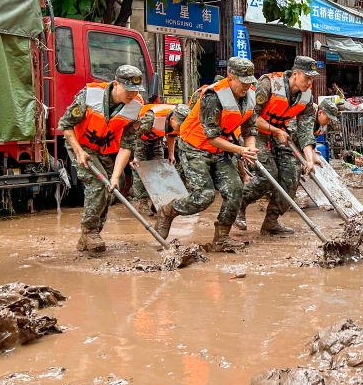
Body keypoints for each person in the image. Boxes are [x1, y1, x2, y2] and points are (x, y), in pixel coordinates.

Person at [157, 58, 259, 251]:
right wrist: (240, 150)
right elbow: (211, 138)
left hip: (222, 149)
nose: (247, 85)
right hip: (195, 146)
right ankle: (168, 211)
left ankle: (221, 238)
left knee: (235, 190)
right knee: (204, 196)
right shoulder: (213, 97)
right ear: (230, 78)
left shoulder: (250, 95)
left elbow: (249, 128)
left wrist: (250, 149)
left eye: (249, 80)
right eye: (243, 81)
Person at [61, 65, 146, 252]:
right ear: (116, 84)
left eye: (136, 91)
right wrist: (78, 151)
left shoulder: (135, 106)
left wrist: (116, 176)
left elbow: (126, 146)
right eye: (128, 90)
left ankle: (89, 236)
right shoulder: (89, 95)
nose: (132, 95)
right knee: (98, 185)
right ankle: (90, 231)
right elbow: (66, 125)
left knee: (110, 188)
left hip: (106, 150)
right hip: (81, 144)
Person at [238, 56, 319, 235]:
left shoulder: (307, 95)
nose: (310, 82)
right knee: (269, 174)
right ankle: (238, 206)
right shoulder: (268, 84)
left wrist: (309, 158)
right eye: (307, 77)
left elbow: (306, 130)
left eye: (313, 78)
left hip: (280, 133)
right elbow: (251, 118)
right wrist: (276, 131)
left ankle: (271, 222)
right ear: (295, 74)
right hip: (256, 132)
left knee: (292, 175)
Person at [130, 102, 186, 215]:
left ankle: (159, 203)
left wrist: (171, 154)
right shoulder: (152, 117)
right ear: (172, 119)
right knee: (140, 169)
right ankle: (143, 203)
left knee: (159, 169)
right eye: (179, 126)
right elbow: (132, 134)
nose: (179, 129)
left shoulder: (179, 117)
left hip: (155, 139)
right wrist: (133, 156)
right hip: (138, 139)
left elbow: (171, 135)